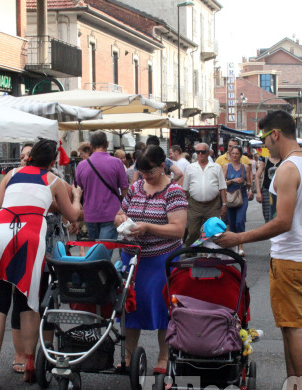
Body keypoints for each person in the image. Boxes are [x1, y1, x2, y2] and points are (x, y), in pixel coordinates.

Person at [215, 111, 302, 390]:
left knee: (294, 330)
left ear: (275, 134)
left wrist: (238, 237)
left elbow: (282, 221)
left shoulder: (286, 169)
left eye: (265, 140)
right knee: (292, 327)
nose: (264, 147)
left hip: (293, 258)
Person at [0, 139, 82, 389]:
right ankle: (30, 362)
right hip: (29, 232)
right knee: (28, 301)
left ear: (31, 156)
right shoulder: (53, 180)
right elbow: (72, 215)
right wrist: (76, 197)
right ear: (53, 161)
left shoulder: (11, 174)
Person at [114, 145, 188, 374]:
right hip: (133, 258)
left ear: (162, 166)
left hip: (161, 259)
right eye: (142, 172)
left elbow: (178, 229)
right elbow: (118, 213)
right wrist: (122, 220)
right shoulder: (136, 187)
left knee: (163, 308)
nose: (146, 177)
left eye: (151, 172)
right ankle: (128, 357)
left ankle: (164, 358)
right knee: (130, 308)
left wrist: (148, 227)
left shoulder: (174, 191)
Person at [76, 131, 129, 241]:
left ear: (90, 146)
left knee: (95, 252)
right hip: (111, 213)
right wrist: (125, 210)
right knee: (104, 252)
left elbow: (76, 189)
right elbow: (124, 189)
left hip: (90, 213)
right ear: (107, 144)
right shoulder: (117, 163)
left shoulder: (81, 165)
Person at [182, 142, 227, 246]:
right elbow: (186, 189)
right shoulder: (190, 167)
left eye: (203, 152)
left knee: (213, 231)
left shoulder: (216, 167)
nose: (200, 154)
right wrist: (184, 205)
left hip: (213, 205)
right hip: (194, 205)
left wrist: (224, 204)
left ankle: (211, 251)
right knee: (193, 231)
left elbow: (222, 187)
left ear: (208, 153)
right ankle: (191, 250)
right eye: (198, 152)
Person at [225, 145, 252, 256]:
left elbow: (250, 183)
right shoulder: (226, 166)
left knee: (240, 221)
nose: (235, 155)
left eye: (237, 153)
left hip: (242, 195)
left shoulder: (245, 167)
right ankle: (233, 244)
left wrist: (244, 183)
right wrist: (232, 180)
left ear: (240, 155)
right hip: (229, 197)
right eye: (233, 153)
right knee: (231, 223)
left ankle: (240, 245)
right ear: (230, 155)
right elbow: (222, 183)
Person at [256, 155, 281, 222]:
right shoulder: (265, 160)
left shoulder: (284, 159)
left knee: (279, 213)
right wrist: (258, 192)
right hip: (267, 190)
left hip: (280, 191)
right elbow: (257, 176)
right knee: (267, 214)